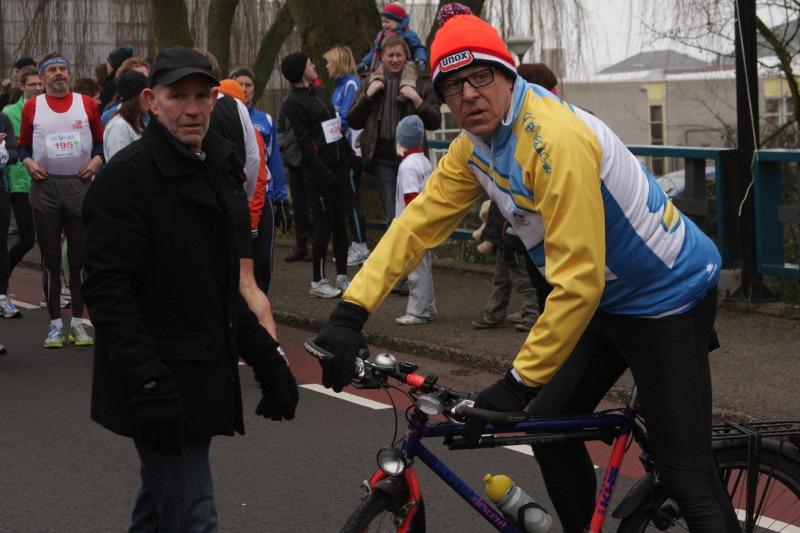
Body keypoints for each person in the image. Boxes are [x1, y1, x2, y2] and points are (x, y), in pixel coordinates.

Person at [311, 4, 739, 533]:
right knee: (549, 433)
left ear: (507, 75)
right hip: (605, 302)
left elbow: (577, 281)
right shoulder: (475, 147)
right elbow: (414, 225)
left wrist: (517, 381)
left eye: (480, 77)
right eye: (452, 86)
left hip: (668, 298)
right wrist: (351, 310)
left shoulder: (552, 140)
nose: (468, 94)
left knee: (686, 473)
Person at [82, 46, 299, 531]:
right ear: (150, 101)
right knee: (194, 518)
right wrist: (150, 382)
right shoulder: (127, 179)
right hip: (158, 383)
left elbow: (220, 286)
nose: (193, 107)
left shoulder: (216, 167)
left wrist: (267, 361)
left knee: (161, 512)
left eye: (202, 95)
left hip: (198, 378)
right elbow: (109, 295)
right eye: (177, 96)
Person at [17, 52, 104, 348]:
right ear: (42, 78)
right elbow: (23, 148)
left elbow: (101, 145)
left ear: (69, 73)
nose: (58, 74)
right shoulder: (33, 107)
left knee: (79, 259)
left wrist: (95, 162)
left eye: (62, 69)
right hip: (46, 187)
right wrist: (29, 164)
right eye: (52, 70)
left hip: (79, 186)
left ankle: (78, 324)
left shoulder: (88, 104)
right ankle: (55, 325)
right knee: (51, 258)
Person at [347, 34, 441, 226]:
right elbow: (353, 121)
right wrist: (368, 95)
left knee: (416, 215)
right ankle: (397, 254)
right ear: (383, 57)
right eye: (390, 55)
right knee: (394, 218)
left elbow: (435, 122)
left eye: (399, 55)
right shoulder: (369, 82)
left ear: (406, 56)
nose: (395, 60)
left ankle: (416, 255)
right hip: (382, 158)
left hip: (412, 158)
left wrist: (417, 99)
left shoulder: (421, 82)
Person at [281, 52, 352, 298]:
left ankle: (342, 275)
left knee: (340, 222)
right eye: (310, 63)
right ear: (301, 71)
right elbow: (303, 142)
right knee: (324, 225)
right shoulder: (293, 103)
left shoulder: (320, 92)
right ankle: (318, 281)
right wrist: (322, 170)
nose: (314, 65)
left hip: (338, 166)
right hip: (318, 172)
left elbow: (333, 127)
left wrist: (346, 155)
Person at [230, 67, 290, 291]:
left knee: (263, 256)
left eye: (249, 85)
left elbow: (273, 158)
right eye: (240, 85)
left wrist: (281, 194)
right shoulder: (224, 114)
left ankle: (262, 297)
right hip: (238, 196)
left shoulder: (265, 119)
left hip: (263, 194)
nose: (244, 89)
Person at [323, 46, 370, 267]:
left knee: (351, 200)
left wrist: (324, 134)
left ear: (339, 63)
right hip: (341, 151)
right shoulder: (337, 88)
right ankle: (357, 243)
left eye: (329, 63)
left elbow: (345, 119)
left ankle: (361, 246)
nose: (327, 67)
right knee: (346, 200)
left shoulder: (351, 84)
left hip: (352, 151)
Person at [1, 65, 42, 313]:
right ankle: (3, 285)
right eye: (32, 84)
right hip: (18, 181)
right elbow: (14, 149)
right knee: (27, 238)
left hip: (44, 178)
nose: (37, 88)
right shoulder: (10, 112)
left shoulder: (48, 109)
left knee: (37, 239)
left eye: (40, 84)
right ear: (21, 87)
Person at [392, 115, 436, 325]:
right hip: (426, 220)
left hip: (413, 224)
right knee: (424, 267)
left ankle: (418, 311)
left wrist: (408, 224)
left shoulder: (407, 165)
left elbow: (411, 197)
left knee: (416, 270)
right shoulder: (424, 161)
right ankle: (428, 306)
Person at [471, 200, 540, 331]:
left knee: (522, 280)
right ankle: (495, 314)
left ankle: (532, 314)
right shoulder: (502, 191)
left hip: (513, 240)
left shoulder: (505, 191)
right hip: (506, 239)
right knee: (502, 279)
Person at [277, 95, 312, 263]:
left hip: (313, 160)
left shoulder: (317, 97)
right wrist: (283, 144)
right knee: (298, 206)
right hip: (293, 159)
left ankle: (316, 246)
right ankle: (301, 246)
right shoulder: (288, 101)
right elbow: (280, 126)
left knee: (315, 205)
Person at [357, 3, 427, 80]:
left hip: (404, 69)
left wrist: (420, 59)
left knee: (407, 83)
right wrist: (365, 63)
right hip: (385, 69)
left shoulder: (408, 35)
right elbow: (374, 51)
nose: (384, 25)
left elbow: (417, 48)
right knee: (376, 80)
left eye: (387, 22)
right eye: (382, 22)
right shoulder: (382, 36)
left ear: (398, 22)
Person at [1, 111, 20, 318]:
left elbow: (15, 153)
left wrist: (4, 151)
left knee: (1, 245)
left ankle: (2, 296)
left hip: (1, 188)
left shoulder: (3, 119)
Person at [102, 70, 147, 161]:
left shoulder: (139, 120)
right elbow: (118, 165)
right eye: (145, 94)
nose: (150, 98)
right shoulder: (119, 126)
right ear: (136, 98)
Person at [99, 43, 134, 111]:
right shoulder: (130, 81)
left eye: (109, 63)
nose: (107, 65)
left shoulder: (111, 86)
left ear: (115, 66)